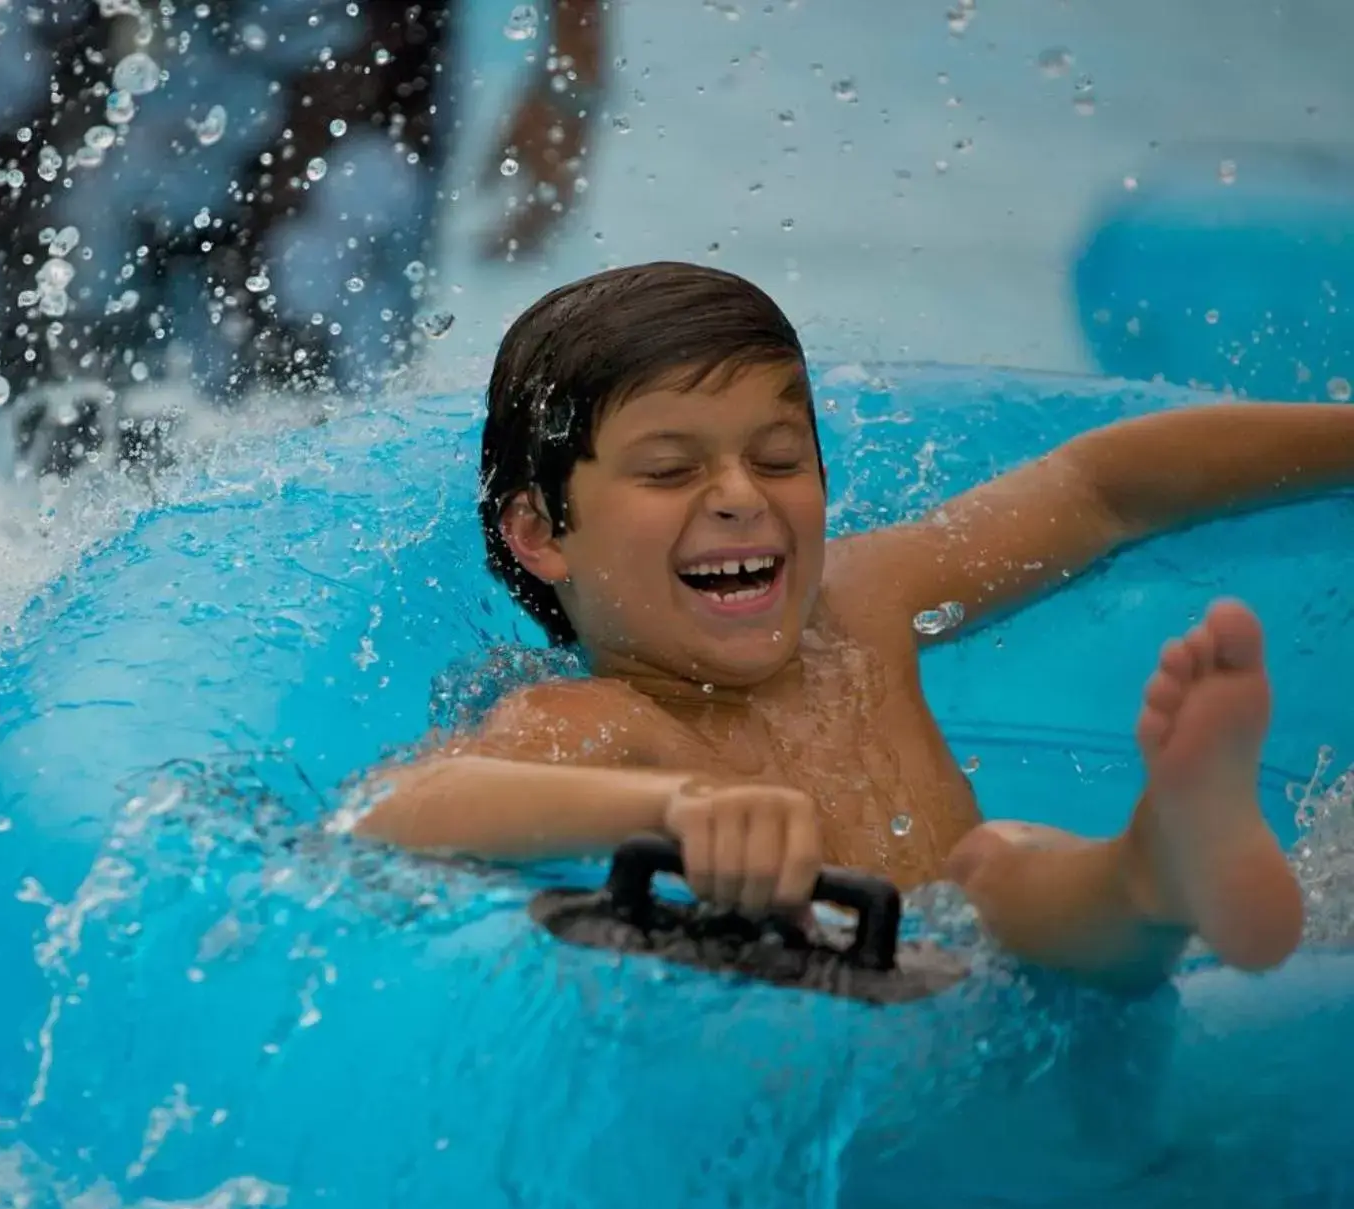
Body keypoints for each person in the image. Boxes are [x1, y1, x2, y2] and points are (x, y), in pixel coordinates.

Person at [348, 261, 1353, 991]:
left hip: (1041, 993)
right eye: (669, 470)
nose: (740, 495)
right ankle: (1155, 870)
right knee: (996, 868)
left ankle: (1165, 862)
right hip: (865, 1082)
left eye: (779, 455)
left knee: (999, 865)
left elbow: (1098, 490)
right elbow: (397, 803)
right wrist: (676, 803)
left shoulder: (862, 605)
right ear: (539, 532)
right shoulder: (603, 723)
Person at [0, 0, 611, 472]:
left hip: (340, 28)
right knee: (23, 396)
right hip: (84, 18)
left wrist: (571, 58)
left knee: (313, 404)